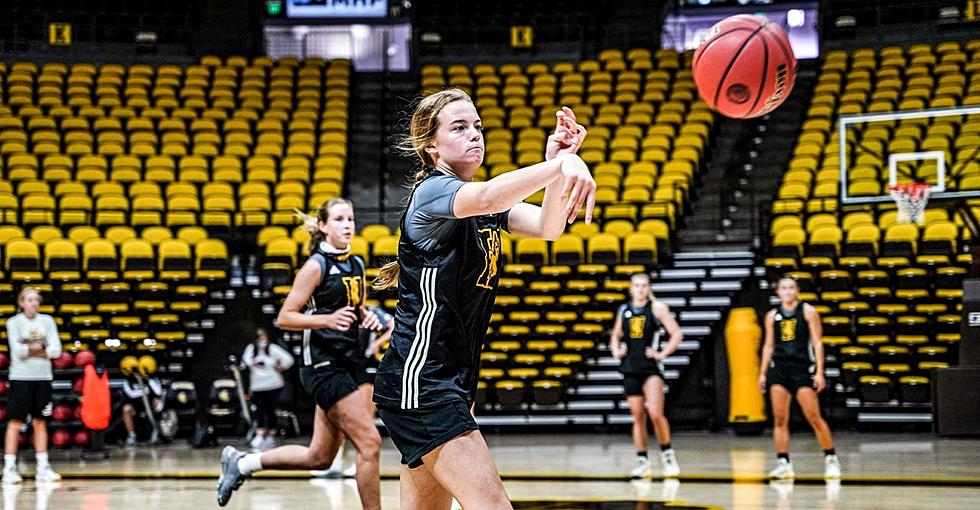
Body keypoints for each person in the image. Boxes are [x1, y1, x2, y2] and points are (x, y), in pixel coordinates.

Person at [371, 89, 594, 510]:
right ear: (429, 145)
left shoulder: (480, 206)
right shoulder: (434, 193)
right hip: (422, 384)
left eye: (477, 126)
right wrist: (561, 164)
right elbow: (491, 195)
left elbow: (548, 227)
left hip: (446, 383)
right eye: (459, 127)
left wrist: (557, 162)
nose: (475, 134)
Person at [217, 198, 383, 508]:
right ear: (323, 226)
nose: (347, 224)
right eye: (339, 219)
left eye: (350, 218)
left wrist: (367, 316)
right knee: (370, 443)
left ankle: (242, 463)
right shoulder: (315, 266)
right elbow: (285, 317)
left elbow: (356, 307)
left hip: (350, 361)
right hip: (322, 365)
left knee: (319, 457)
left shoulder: (356, 263)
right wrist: (327, 320)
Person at [758, 276, 841, 480]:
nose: (787, 291)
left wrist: (820, 371)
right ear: (777, 291)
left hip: (802, 368)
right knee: (779, 417)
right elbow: (768, 344)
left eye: (791, 287)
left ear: (797, 290)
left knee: (813, 416)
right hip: (779, 368)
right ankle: (783, 462)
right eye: (784, 288)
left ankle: (831, 458)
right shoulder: (771, 316)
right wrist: (762, 372)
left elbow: (817, 343)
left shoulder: (808, 311)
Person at [610, 273, 684, 479]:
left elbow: (677, 333)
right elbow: (616, 335)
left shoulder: (657, 308)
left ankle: (667, 454)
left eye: (644, 286)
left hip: (651, 368)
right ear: (631, 288)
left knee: (655, 412)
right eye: (637, 285)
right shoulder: (624, 310)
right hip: (630, 367)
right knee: (637, 416)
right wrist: (616, 350)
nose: (640, 289)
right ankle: (643, 462)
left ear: (649, 288)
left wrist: (662, 353)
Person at [313, 305, 394, 478]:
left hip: (365, 367)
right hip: (343, 366)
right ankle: (335, 461)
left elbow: (394, 325)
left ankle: (363, 465)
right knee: (341, 419)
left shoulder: (372, 310)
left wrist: (377, 344)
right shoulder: (338, 311)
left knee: (366, 418)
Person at [3, 288, 62, 484]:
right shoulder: (14, 323)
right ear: (21, 302)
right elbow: (18, 351)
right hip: (20, 378)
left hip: (43, 378)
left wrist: (33, 350)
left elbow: (56, 350)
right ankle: (9, 468)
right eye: (30, 300)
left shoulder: (47, 321)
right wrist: (40, 349)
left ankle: (43, 467)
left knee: (40, 421)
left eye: (36, 300)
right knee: (15, 422)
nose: (34, 303)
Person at [241, 327, 295, 451]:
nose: (262, 340)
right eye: (259, 338)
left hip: (273, 384)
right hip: (257, 385)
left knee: (271, 410)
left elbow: (289, 360)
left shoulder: (273, 349)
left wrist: (280, 367)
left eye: (264, 337)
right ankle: (260, 434)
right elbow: (246, 361)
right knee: (259, 410)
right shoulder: (251, 349)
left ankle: (271, 434)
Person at [121, 371, 164, 446]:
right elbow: (130, 394)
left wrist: (148, 380)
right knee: (126, 408)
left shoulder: (153, 379)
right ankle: (132, 435)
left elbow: (158, 392)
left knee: (157, 403)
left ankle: (156, 431)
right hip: (136, 407)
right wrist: (142, 392)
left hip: (150, 408)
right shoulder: (128, 381)